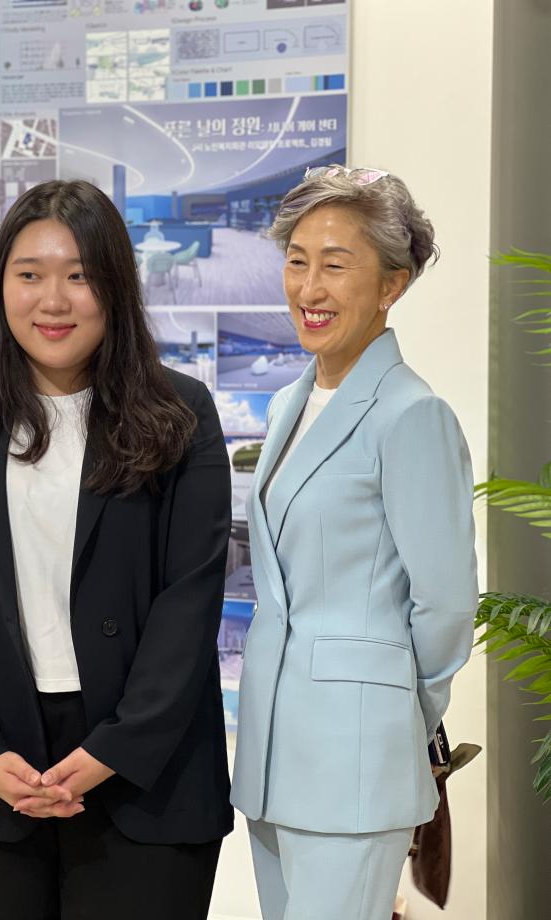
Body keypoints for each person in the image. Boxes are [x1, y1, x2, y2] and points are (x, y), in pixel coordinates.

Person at [0, 179, 233, 920]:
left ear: (115, 286)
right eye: (30, 274)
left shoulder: (180, 414)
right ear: (1, 287)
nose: (53, 300)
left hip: (148, 771)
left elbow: (189, 598)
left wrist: (119, 747)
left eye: (79, 275)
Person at [230, 165, 478, 920]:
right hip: (273, 752)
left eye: (336, 265)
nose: (309, 288)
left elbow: (446, 606)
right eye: (297, 260)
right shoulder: (288, 403)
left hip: (355, 756)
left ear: (392, 285)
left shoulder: (411, 414)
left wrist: (387, 712)